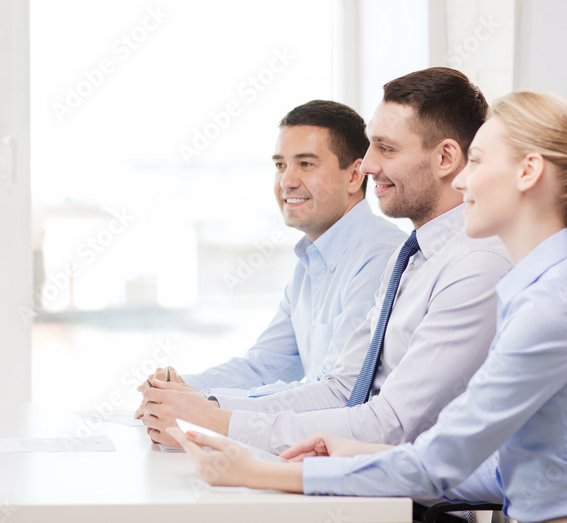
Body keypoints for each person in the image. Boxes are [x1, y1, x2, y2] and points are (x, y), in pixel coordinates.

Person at [170, 90, 567, 523]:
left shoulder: (555, 304)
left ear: (528, 172)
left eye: (478, 162)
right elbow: (511, 470)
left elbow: (440, 463)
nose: (463, 182)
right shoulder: (539, 286)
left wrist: (258, 472)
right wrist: (355, 455)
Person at [141, 67, 511, 452]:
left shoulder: (474, 264)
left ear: (446, 158)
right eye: (281, 165)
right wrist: (206, 406)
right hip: (375, 479)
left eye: (385, 148)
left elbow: (390, 425)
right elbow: (343, 390)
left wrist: (217, 419)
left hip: (418, 505)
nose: (367, 165)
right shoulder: (410, 259)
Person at [132, 100, 404, 411]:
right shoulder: (310, 264)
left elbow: (337, 393)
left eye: (306, 164)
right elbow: (264, 366)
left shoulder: (380, 256)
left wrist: (205, 405)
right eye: (280, 165)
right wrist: (180, 388)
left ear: (355, 176)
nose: (287, 181)